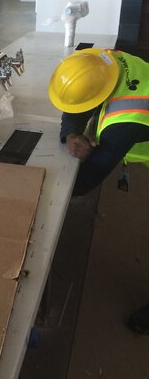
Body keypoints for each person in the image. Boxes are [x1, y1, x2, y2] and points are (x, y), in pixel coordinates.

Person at [48, 48, 149, 334]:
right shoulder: (101, 61)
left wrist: (45, 191)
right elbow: (78, 101)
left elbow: (85, 182)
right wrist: (70, 133)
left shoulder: (125, 121)